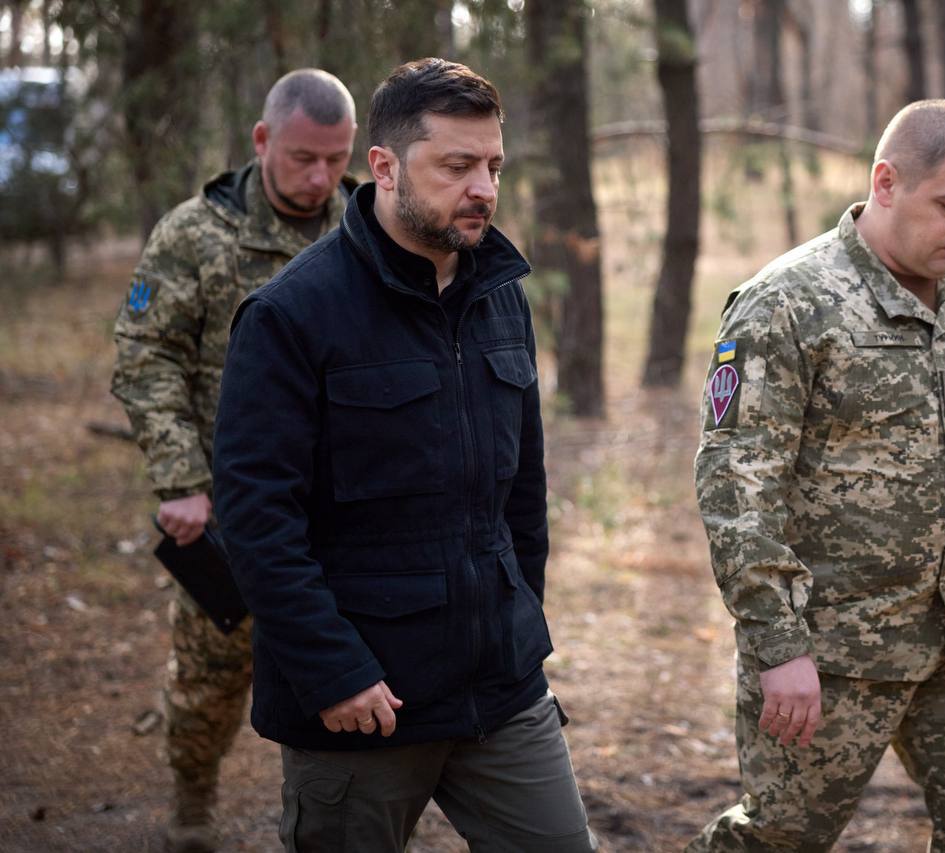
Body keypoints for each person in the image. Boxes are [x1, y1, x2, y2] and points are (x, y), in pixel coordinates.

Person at [211, 58, 596, 853]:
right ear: (384, 167)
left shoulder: (501, 293)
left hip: (500, 689)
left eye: (493, 166)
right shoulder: (293, 313)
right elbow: (256, 519)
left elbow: (522, 494)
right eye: (456, 166)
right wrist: (333, 670)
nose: (483, 188)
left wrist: (519, 621)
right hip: (364, 700)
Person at [687, 99, 945, 852]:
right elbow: (737, 488)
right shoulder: (788, 305)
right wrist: (778, 643)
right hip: (833, 654)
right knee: (778, 839)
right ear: (887, 183)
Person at [111, 69, 358, 852]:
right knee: (211, 677)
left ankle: (354, 816)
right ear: (261, 141)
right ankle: (192, 804)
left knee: (354, 668)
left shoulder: (368, 229)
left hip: (349, 512)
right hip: (232, 513)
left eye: (337, 159)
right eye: (303, 158)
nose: (320, 178)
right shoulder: (195, 235)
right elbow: (145, 355)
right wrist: (181, 480)